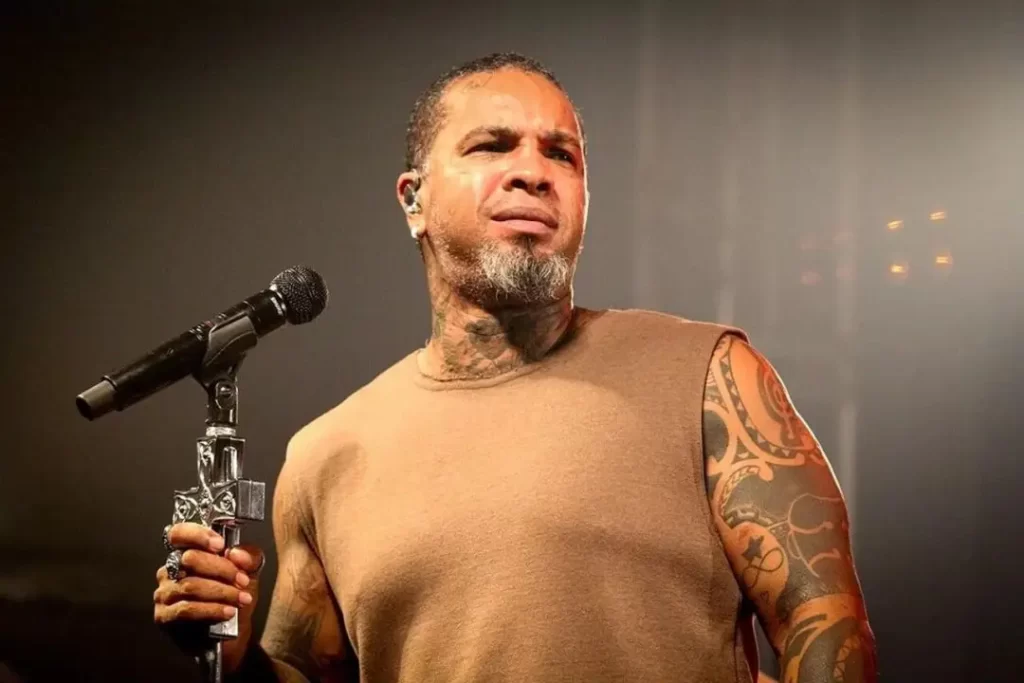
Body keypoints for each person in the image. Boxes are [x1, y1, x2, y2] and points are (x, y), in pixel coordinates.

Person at [153, 52, 877, 682]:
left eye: (562, 155)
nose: (533, 172)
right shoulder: (325, 455)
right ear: (414, 200)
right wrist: (235, 656)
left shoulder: (709, 376)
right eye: (493, 145)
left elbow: (824, 625)